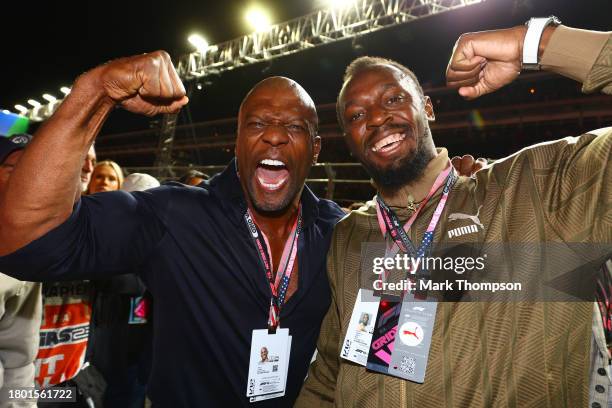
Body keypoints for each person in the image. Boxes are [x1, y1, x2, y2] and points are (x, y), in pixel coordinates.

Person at [0, 51, 344, 407]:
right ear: (237, 142)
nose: (274, 136)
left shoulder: (336, 233)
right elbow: (25, 239)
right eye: (257, 124)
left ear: (315, 148)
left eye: (294, 126)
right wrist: (95, 92)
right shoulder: (174, 215)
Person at [296, 22, 611, 407]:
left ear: (428, 108)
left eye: (393, 99)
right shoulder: (349, 236)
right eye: (357, 116)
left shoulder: (536, 188)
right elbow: (330, 372)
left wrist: (537, 42)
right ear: (349, 141)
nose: (376, 118)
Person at [0, 135, 41, 408]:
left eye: (30, 168)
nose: (22, 177)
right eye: (12, 167)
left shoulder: (29, 249)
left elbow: (18, 364)